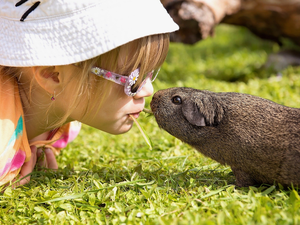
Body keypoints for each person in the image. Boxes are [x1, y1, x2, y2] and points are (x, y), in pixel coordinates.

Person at [0, 0, 178, 187]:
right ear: (53, 75)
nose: (148, 90)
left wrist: (32, 142)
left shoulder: (64, 118)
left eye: (150, 72)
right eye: (133, 79)